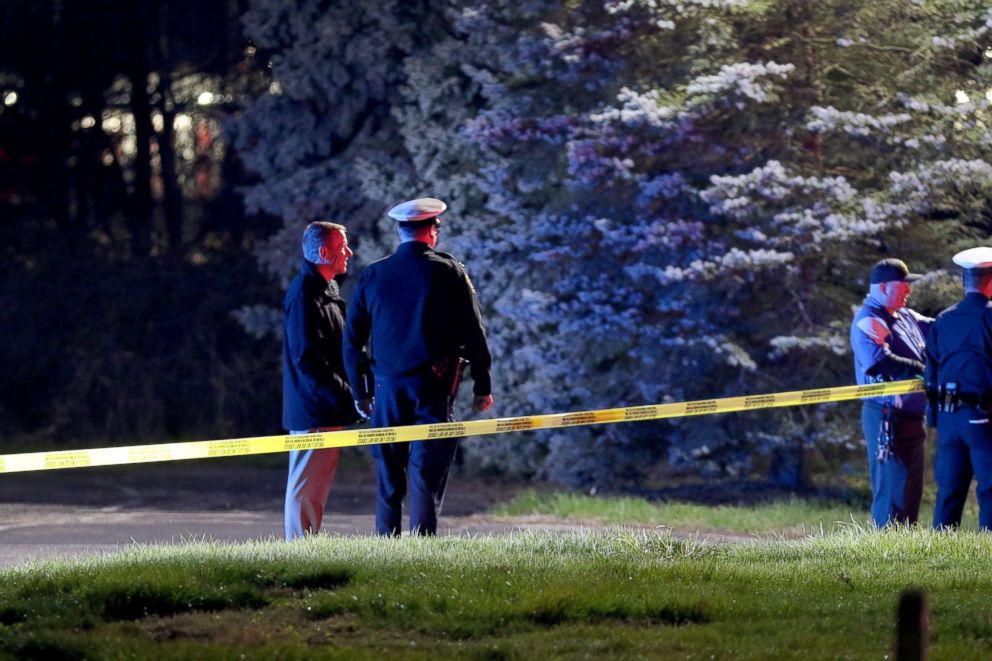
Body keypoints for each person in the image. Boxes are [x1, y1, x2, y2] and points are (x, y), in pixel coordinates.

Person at [343, 197, 494, 536]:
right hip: (434, 387)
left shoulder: (373, 275)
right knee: (427, 470)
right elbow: (474, 331)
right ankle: (423, 541)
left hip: (386, 387)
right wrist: (483, 385)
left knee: (389, 473)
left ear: (400, 231)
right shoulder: (449, 271)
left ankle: (387, 541)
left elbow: (352, 341)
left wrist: (361, 390)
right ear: (432, 231)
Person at [282, 221, 366, 540]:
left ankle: (307, 544)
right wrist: (347, 397)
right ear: (323, 252)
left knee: (314, 485)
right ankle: (300, 550)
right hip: (314, 411)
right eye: (342, 246)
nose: (349, 252)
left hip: (323, 409)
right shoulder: (305, 295)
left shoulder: (322, 290)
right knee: (306, 485)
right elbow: (309, 360)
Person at [850, 258, 932, 527]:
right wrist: (925, 371)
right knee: (892, 489)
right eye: (903, 286)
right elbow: (879, 362)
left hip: (910, 416)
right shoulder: (869, 319)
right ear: (883, 287)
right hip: (887, 415)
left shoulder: (906, 316)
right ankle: (885, 551)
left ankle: (905, 550)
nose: (909, 291)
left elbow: (939, 328)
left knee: (909, 488)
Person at [925, 246, 992, 531]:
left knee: (949, 490)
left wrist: (934, 419)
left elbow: (931, 372)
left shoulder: (943, 320)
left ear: (964, 282)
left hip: (949, 417)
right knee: (989, 490)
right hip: (984, 417)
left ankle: (940, 550)